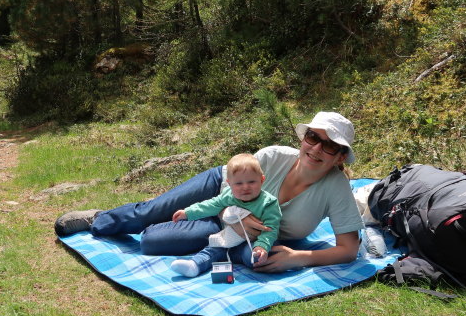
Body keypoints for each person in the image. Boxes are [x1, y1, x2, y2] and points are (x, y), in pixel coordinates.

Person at [54, 111, 363, 273]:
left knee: (150, 241)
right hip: (219, 190)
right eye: (313, 137)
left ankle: (150, 226)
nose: (317, 148)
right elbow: (235, 185)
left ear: (339, 156)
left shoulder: (336, 188)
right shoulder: (273, 156)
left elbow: (348, 249)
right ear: (303, 138)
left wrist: (299, 257)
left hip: (236, 234)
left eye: (330, 145)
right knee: (150, 210)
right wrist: (231, 213)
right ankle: (100, 219)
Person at [169, 153, 281, 277]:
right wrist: (188, 212)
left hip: (254, 242)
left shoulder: (269, 203)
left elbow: (271, 228)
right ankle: (194, 265)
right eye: (238, 183)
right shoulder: (229, 196)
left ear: (262, 180)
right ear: (229, 183)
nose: (245, 187)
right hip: (230, 236)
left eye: (251, 182)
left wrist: (262, 246)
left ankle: (235, 255)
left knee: (254, 257)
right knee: (215, 247)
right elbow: (210, 205)